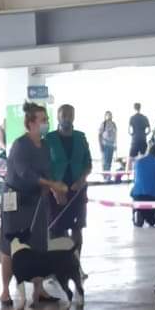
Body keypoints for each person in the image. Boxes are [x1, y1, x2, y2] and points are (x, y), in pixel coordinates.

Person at [0, 102, 68, 308]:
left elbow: (47, 172)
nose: (46, 123)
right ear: (30, 123)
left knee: (39, 245)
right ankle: (5, 290)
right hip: (15, 200)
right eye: (43, 120)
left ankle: (39, 290)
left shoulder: (45, 145)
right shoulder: (20, 145)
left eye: (47, 119)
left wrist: (55, 190)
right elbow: (25, 173)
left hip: (37, 200)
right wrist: (51, 185)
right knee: (10, 245)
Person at [46, 104, 92, 254]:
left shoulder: (81, 137)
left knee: (77, 228)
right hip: (56, 191)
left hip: (77, 190)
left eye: (70, 115)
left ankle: (76, 262)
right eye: (63, 115)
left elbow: (88, 164)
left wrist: (82, 180)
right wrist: (54, 189)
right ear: (58, 117)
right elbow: (44, 167)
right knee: (57, 229)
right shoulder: (49, 139)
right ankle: (58, 262)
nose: (67, 118)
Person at [129, 142, 155, 227]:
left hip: (138, 195)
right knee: (152, 222)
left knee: (134, 192)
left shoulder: (138, 162)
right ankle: (154, 215)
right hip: (153, 197)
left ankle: (137, 212)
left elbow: (135, 179)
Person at [98, 111, 117, 178]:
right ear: (105, 116)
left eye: (110, 115)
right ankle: (105, 176)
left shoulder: (114, 124)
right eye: (108, 115)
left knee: (109, 161)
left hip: (111, 144)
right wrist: (100, 145)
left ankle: (108, 175)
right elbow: (99, 135)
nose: (109, 116)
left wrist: (115, 145)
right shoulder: (103, 124)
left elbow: (115, 135)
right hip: (105, 144)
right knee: (105, 161)